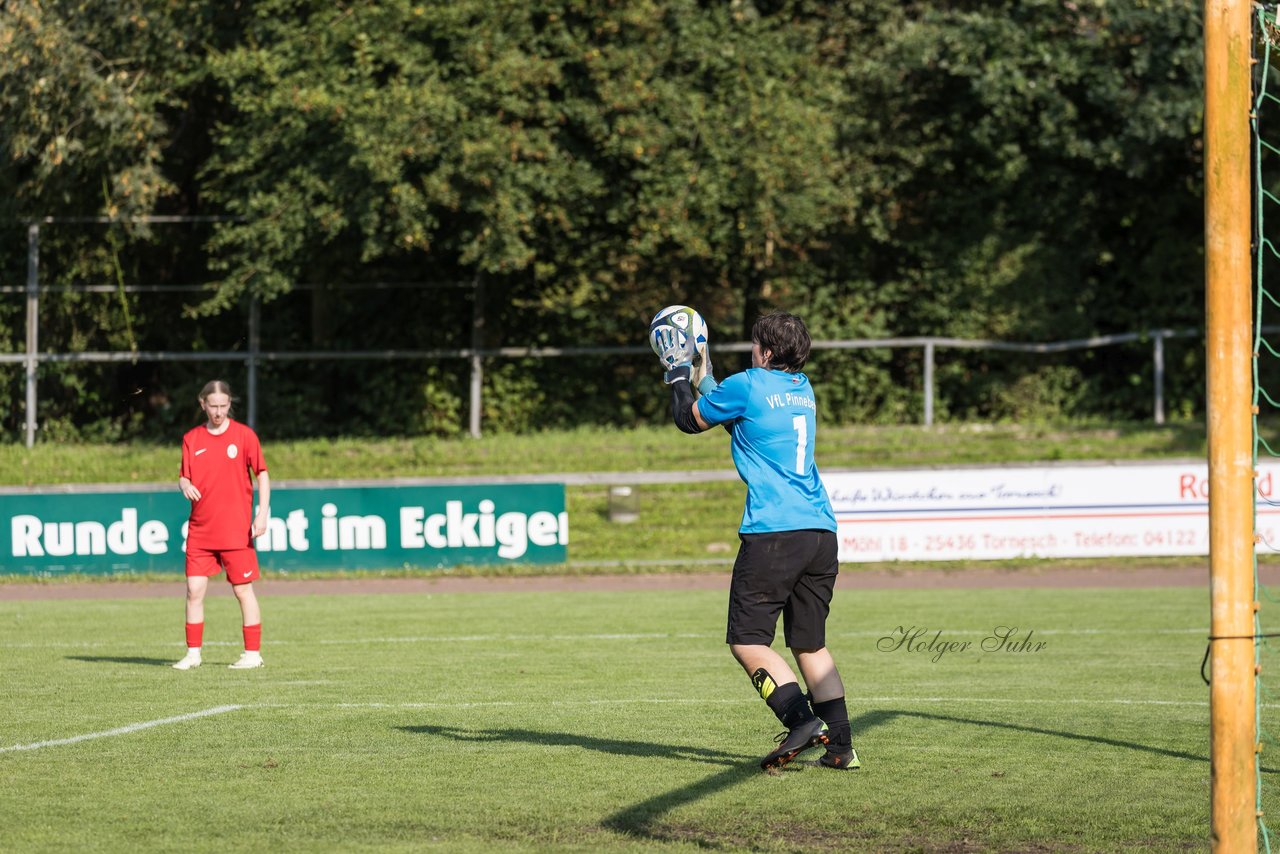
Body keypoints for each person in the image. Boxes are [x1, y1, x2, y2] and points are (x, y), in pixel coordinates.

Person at [657, 311, 859, 771]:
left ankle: (801, 720)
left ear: (765, 352)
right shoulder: (802, 390)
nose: (752, 351)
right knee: (810, 644)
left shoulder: (748, 385)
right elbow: (738, 416)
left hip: (774, 533)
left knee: (748, 641)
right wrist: (704, 369)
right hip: (819, 533)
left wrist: (676, 373)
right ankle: (842, 747)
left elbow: (691, 421)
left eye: (755, 345)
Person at [172, 380, 270, 671]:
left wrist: (262, 513)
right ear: (202, 404)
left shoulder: (244, 436)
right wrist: (184, 484)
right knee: (194, 590)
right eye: (212, 406)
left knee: (242, 590)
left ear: (230, 404)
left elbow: (262, 474)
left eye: (223, 406)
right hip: (201, 530)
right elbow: (183, 476)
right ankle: (193, 654)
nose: (218, 412)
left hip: (235, 529)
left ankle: (252, 654)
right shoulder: (192, 439)